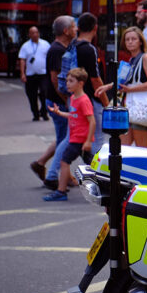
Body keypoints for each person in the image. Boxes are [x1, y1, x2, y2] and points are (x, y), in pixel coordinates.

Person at [43, 12, 109, 188]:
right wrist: (107, 103)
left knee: (69, 139)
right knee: (97, 139)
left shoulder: (72, 46)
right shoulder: (89, 49)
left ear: (79, 28)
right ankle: (97, 180)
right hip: (89, 100)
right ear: (95, 28)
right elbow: (95, 79)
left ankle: (52, 174)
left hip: (75, 98)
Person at [30, 16, 75, 188]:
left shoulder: (60, 48)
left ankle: (42, 164)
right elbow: (55, 80)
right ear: (66, 31)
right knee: (67, 140)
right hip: (58, 101)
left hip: (57, 100)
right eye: (73, 26)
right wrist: (67, 100)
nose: (76, 29)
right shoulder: (57, 50)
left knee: (63, 138)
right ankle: (53, 174)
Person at [96, 27, 147, 148]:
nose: (130, 42)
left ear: (140, 41)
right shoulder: (131, 60)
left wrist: (130, 89)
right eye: (127, 39)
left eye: (133, 39)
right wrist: (108, 87)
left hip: (141, 107)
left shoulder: (145, 58)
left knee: (142, 148)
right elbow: (124, 82)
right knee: (123, 147)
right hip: (129, 107)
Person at [43, 68, 94, 201]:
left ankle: (61, 191)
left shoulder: (83, 100)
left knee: (64, 161)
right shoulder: (73, 98)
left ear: (80, 83)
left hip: (80, 139)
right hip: (75, 138)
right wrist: (59, 113)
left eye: (71, 81)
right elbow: (74, 115)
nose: (67, 84)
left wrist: (88, 141)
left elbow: (92, 121)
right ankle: (106, 188)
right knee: (92, 165)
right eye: (67, 81)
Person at [18, 26, 50, 121]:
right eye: (32, 33)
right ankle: (35, 114)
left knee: (45, 92)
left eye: (36, 32)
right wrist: (22, 73)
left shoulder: (45, 44)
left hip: (43, 73)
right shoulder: (25, 46)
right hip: (31, 74)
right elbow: (22, 60)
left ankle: (44, 112)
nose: (35, 34)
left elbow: (49, 57)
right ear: (29, 35)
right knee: (32, 95)